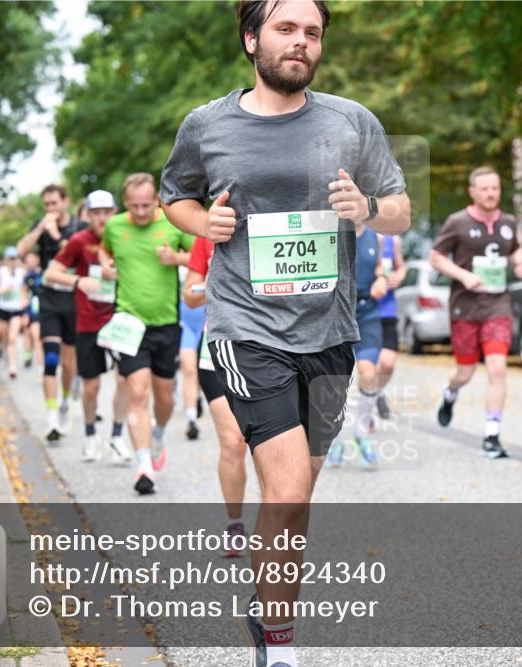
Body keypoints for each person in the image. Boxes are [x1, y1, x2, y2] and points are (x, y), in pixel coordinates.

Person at [160, 2, 409, 665]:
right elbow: (175, 195)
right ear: (251, 39)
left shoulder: (352, 121)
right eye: (286, 29)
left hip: (330, 334)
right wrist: (201, 225)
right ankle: (280, 646)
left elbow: (401, 207)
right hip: (247, 330)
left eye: (313, 33)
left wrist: (370, 207)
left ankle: (267, 607)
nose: (302, 42)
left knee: (294, 501)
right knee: (289, 487)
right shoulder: (207, 125)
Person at [99, 173, 193, 495]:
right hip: (129, 323)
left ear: (157, 200)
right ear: (126, 203)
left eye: (146, 205)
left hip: (166, 323)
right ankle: (144, 468)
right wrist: (106, 266)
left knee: (164, 398)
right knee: (137, 392)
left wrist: (176, 258)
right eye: (134, 206)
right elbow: (104, 252)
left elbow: (201, 258)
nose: (140, 212)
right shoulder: (115, 227)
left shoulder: (173, 223)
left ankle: (158, 434)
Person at [430, 166, 522, 458]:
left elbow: (515, 250)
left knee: (497, 367)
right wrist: (463, 276)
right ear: (472, 192)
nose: (490, 194)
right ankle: (451, 393)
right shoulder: (458, 222)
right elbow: (436, 257)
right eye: (484, 189)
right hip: (465, 306)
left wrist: (521, 264)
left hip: (497, 304)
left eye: (495, 188)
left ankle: (492, 434)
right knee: (465, 372)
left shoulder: (508, 222)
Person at [47, 190, 132, 465]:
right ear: (88, 215)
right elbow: (50, 274)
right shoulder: (79, 241)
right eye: (96, 213)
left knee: (125, 380)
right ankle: (90, 435)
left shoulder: (126, 236)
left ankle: (117, 436)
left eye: (107, 212)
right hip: (88, 321)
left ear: (115, 212)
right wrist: (77, 281)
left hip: (121, 319)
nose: (102, 218)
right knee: (91, 386)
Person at [183, 236, 249, 556]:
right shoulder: (207, 235)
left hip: (270, 351)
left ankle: (277, 522)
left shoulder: (273, 221)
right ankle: (235, 525)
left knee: (270, 446)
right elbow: (190, 296)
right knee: (233, 441)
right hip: (217, 351)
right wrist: (216, 284)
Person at [17, 184, 87, 442]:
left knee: (69, 363)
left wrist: (57, 235)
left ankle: (66, 402)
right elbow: (21, 251)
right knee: (50, 357)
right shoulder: (41, 225)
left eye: (54, 203)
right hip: (49, 300)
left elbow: (77, 254)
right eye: (46, 204)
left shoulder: (80, 227)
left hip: (73, 300)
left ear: (65, 201)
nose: (50, 209)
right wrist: (40, 229)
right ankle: (51, 419)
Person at [326, 223, 386, 469]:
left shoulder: (377, 237)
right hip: (337, 311)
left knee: (368, 373)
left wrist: (382, 278)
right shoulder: (330, 231)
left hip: (367, 312)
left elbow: (381, 266)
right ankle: (336, 439)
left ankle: (362, 433)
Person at [375, 234, 407, 419]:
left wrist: (398, 277)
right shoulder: (357, 234)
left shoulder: (393, 240)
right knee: (366, 364)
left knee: (388, 363)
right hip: (361, 311)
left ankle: (377, 391)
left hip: (387, 310)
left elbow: (401, 266)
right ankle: (366, 403)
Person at [0, 247, 28, 379]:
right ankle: (6, 354)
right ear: (5, 259)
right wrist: (2, 289)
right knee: (3, 335)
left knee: (12, 338)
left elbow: (25, 289)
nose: (12, 261)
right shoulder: (0, 272)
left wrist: (24, 299)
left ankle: (13, 366)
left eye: (14, 258)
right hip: (3, 310)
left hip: (16, 310)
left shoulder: (22, 272)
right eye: (10, 258)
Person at [178, 266, 206, 441]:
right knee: (188, 368)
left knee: (202, 371)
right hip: (186, 323)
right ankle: (191, 419)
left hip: (207, 321)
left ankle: (198, 395)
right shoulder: (172, 250)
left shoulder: (203, 254)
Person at [22, 253, 43, 369]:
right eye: (27, 261)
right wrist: (24, 310)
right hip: (30, 309)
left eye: (31, 260)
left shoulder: (43, 273)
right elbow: (24, 292)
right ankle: (28, 356)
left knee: (37, 337)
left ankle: (41, 367)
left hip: (42, 310)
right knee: (27, 333)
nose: (29, 263)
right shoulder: (27, 276)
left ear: (37, 260)